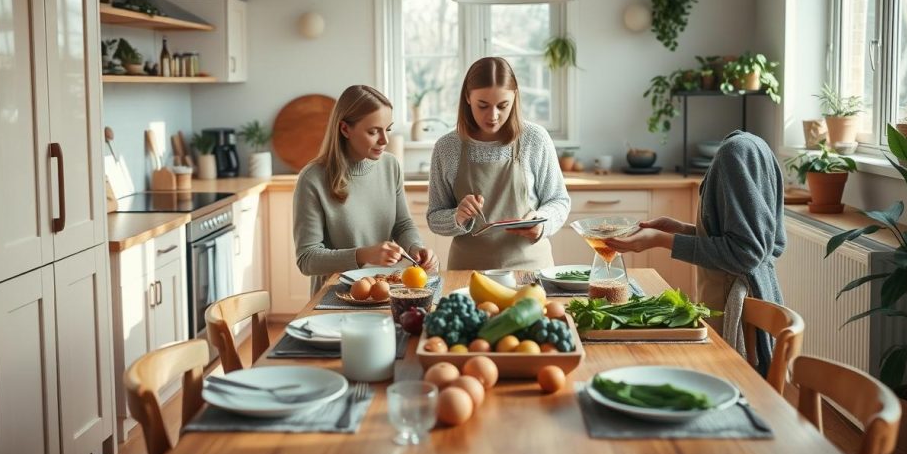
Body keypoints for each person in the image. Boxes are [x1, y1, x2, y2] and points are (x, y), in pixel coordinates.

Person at [604, 130, 786, 375]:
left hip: (730, 305)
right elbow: (742, 241)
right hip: (750, 294)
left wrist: (663, 240)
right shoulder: (755, 144)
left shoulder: (732, 154)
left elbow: (745, 253)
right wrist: (679, 230)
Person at [426, 57, 570, 270]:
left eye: (503, 105)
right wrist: (457, 216)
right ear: (467, 97)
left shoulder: (534, 138)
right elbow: (434, 216)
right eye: (482, 106)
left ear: (515, 97)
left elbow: (559, 200)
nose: (493, 116)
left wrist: (541, 223)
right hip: (467, 272)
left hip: (530, 270)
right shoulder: (447, 147)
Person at [294, 85, 438, 294]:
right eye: (373, 132)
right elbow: (307, 259)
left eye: (387, 129)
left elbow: (402, 224)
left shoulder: (390, 165)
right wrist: (363, 255)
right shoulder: (313, 178)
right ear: (345, 129)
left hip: (385, 289)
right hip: (335, 295)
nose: (385, 140)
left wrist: (416, 247)